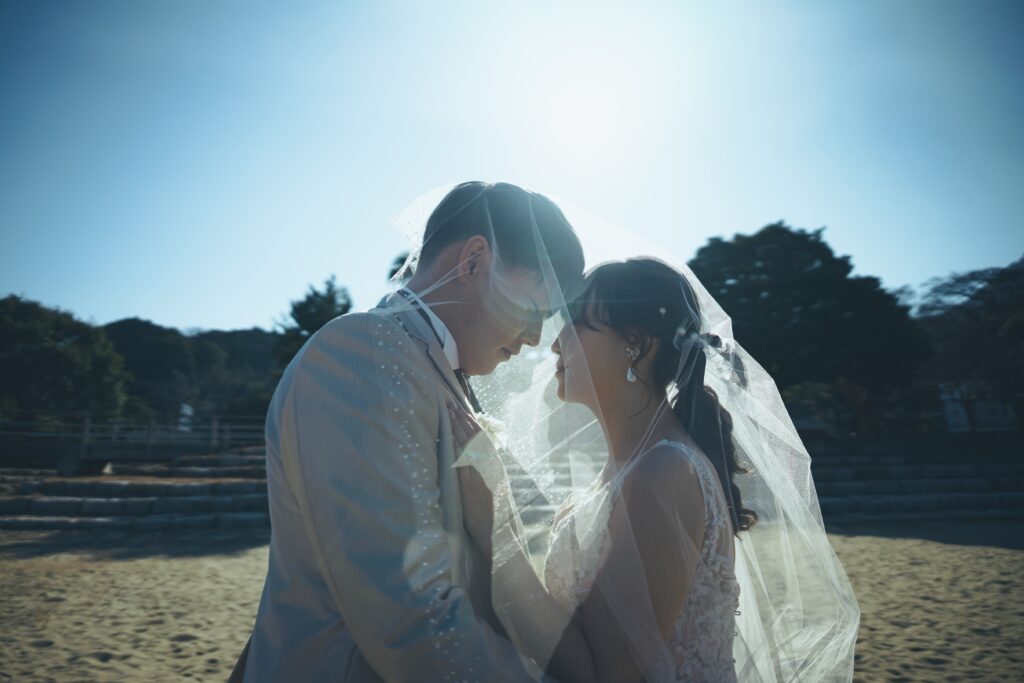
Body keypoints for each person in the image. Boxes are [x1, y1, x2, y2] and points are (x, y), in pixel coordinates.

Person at [232, 181, 585, 682]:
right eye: (532, 311)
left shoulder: (429, 367)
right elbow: (409, 618)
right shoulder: (360, 353)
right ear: (473, 262)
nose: (533, 339)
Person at [451, 257, 860, 682]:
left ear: (637, 346)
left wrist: (496, 531)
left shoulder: (664, 474)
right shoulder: (624, 472)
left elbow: (606, 675)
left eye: (577, 326)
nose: (555, 345)